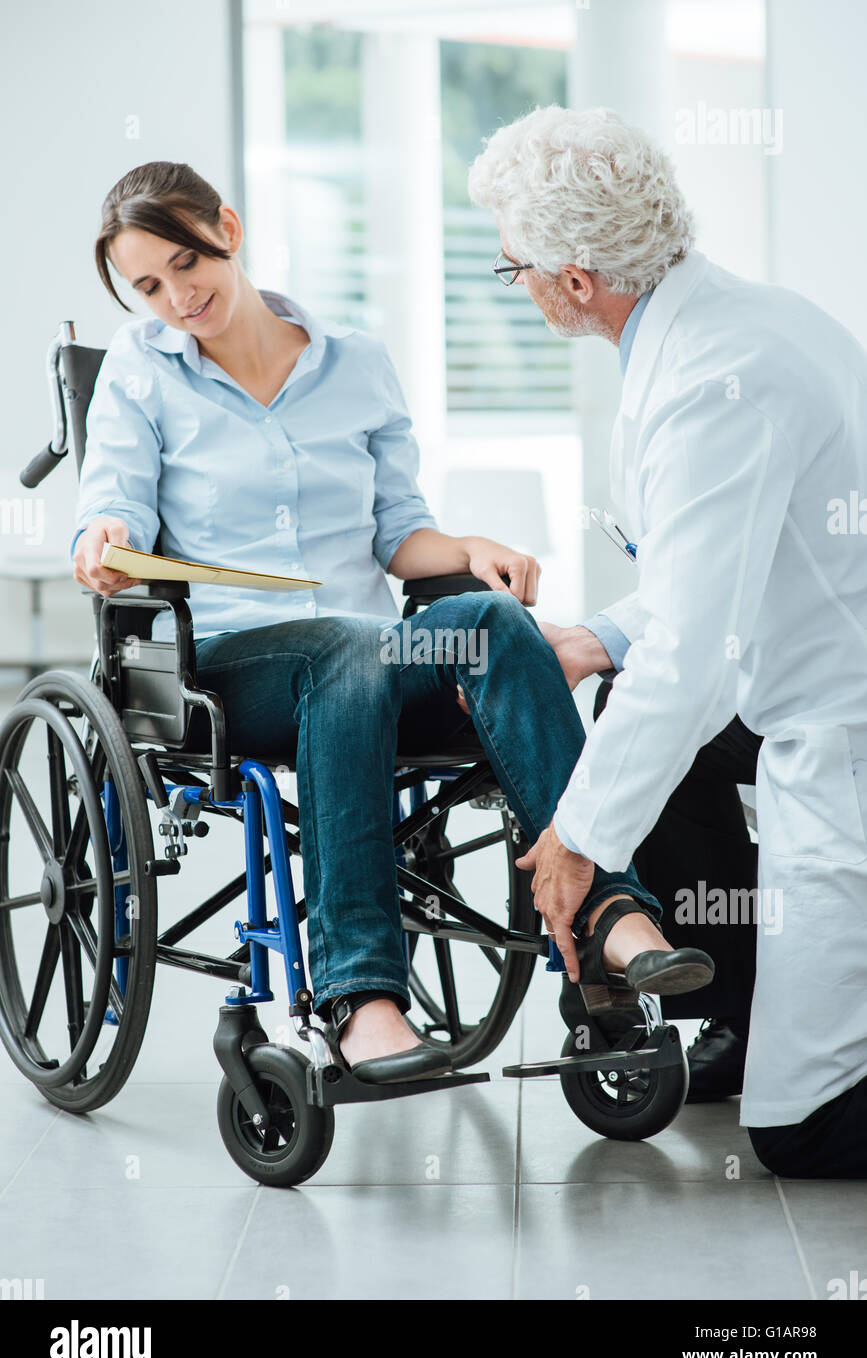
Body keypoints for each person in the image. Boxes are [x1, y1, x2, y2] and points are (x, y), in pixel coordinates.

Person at [70, 160, 708, 1086]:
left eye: (185, 262)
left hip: (365, 660)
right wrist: (106, 533)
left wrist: (464, 547)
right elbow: (112, 499)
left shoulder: (355, 363)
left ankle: (608, 913)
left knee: (488, 620)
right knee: (343, 648)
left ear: (229, 229)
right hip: (227, 672)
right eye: (148, 285)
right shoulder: (143, 367)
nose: (176, 296)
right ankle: (360, 997)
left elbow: (396, 534)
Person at [470, 105, 867, 1178]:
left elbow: (695, 650)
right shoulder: (741, 323)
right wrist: (596, 639)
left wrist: (577, 837)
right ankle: (738, 995)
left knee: (804, 1131)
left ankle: (806, 1048)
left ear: (577, 278)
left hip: (843, 726)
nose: (523, 289)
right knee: (640, 713)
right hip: (807, 669)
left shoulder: (712, 381)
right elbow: (727, 571)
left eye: (517, 271)